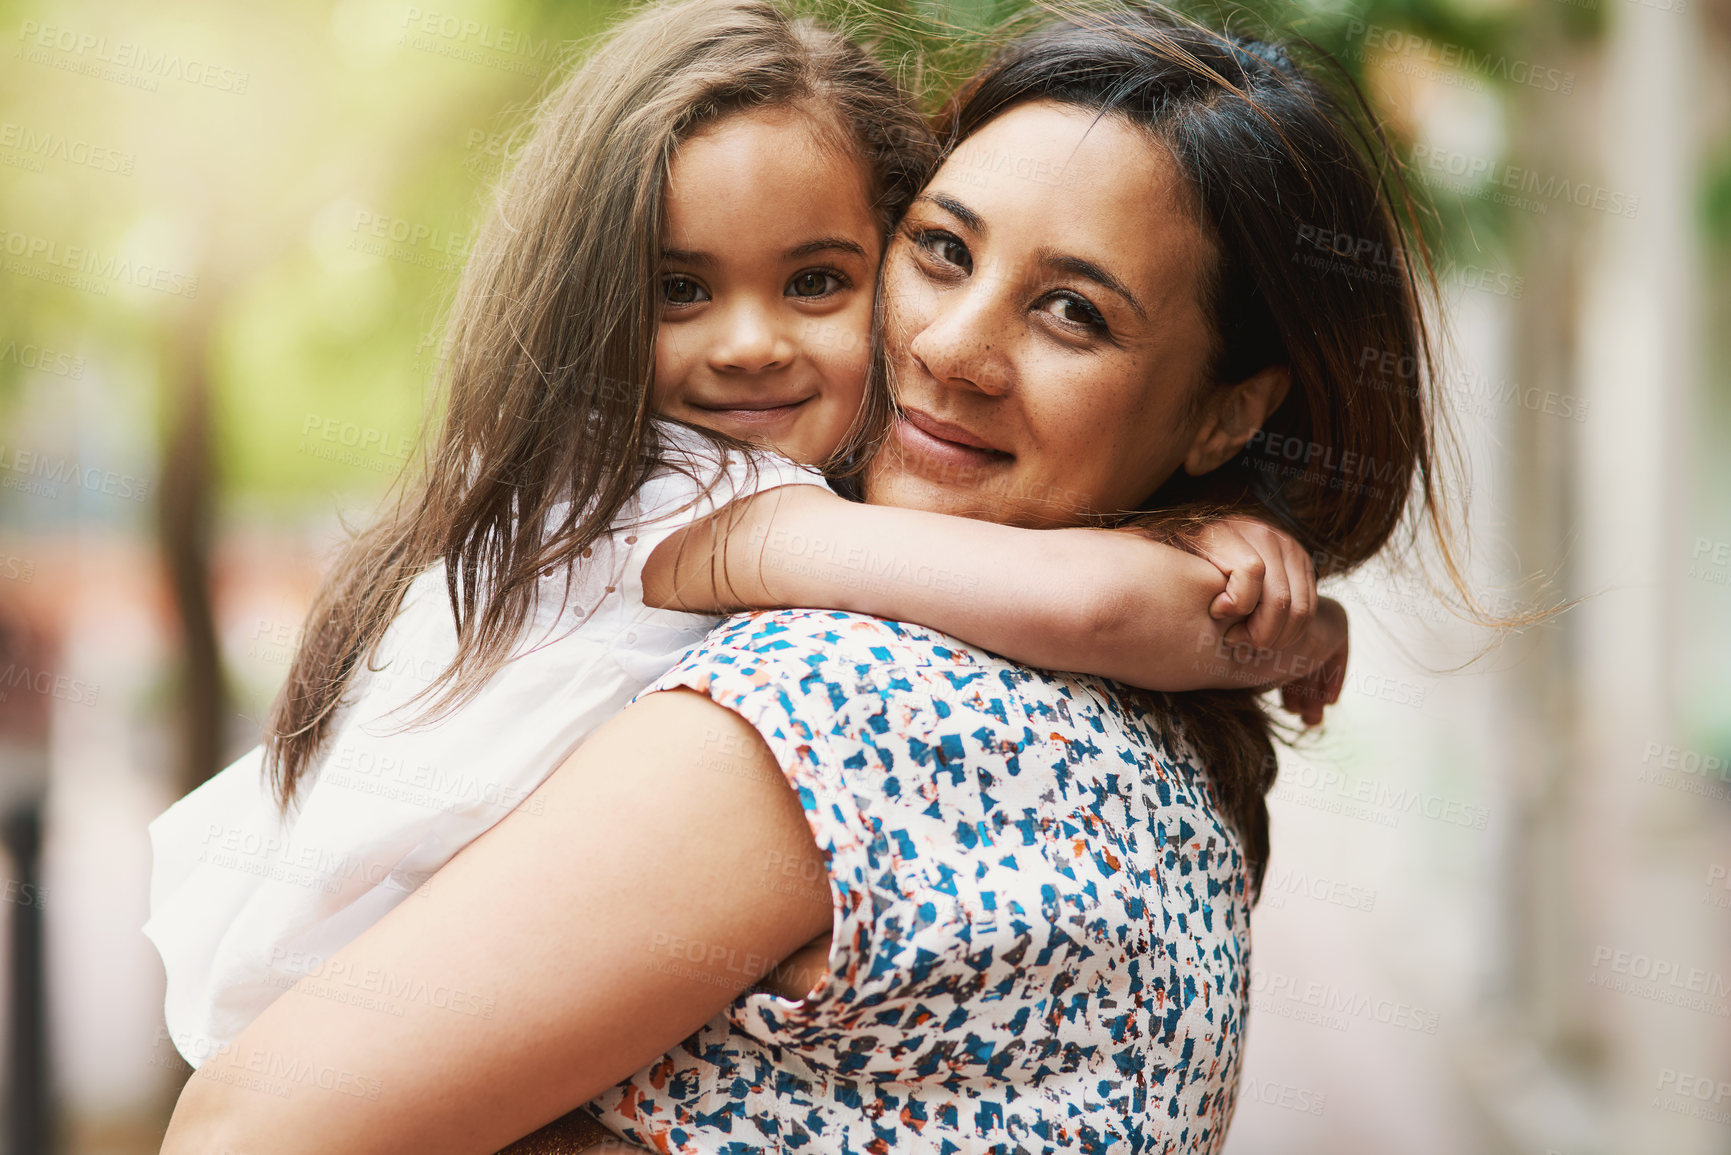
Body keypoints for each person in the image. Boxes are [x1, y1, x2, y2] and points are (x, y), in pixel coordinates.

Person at [158, 1, 1457, 1149]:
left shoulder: (849, 705)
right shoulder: (1163, 765)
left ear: (1229, 415)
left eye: (1073, 312)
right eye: (944, 249)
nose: (952, 348)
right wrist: (1245, 607)